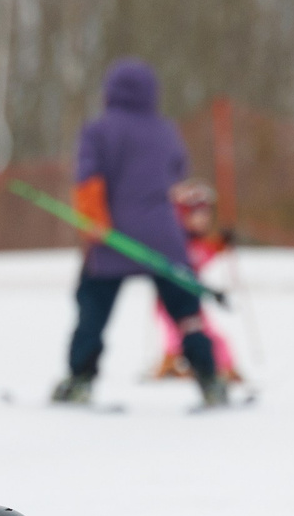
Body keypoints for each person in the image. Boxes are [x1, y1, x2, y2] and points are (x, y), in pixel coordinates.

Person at [57, 59, 229, 408]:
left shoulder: (99, 130)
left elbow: (88, 182)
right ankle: (211, 380)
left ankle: (80, 380)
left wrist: (92, 222)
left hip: (112, 237)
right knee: (187, 311)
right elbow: (178, 173)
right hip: (164, 237)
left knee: (93, 310)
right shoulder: (166, 131)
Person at [145, 180, 242, 385]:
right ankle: (172, 363)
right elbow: (193, 257)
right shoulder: (177, 243)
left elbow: (205, 254)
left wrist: (222, 244)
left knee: (210, 336)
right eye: (195, 217)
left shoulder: (200, 244)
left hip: (191, 299)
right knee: (178, 333)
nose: (201, 222)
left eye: (205, 217)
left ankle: (226, 367)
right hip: (169, 300)